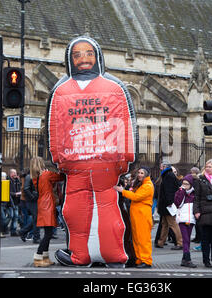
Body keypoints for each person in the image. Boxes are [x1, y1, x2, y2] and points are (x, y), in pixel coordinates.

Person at [48, 36, 137, 267]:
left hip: (104, 165)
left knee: (107, 209)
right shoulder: (62, 90)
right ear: (70, 59)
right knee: (74, 211)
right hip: (78, 166)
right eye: (77, 55)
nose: (83, 59)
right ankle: (82, 255)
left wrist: (125, 159)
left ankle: (112, 254)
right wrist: (59, 158)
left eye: (88, 53)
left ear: (97, 57)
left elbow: (125, 124)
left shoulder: (112, 87)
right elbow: (56, 128)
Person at [114, 166, 154, 268]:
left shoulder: (148, 185)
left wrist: (122, 191)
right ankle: (140, 259)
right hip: (138, 216)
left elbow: (136, 197)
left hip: (143, 216)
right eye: (139, 173)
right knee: (137, 239)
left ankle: (146, 261)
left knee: (143, 239)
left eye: (142, 173)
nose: (139, 175)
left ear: (146, 174)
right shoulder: (142, 185)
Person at [30, 157, 65, 267]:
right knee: (48, 234)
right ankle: (38, 257)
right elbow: (61, 177)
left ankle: (45, 258)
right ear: (41, 164)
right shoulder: (46, 174)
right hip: (48, 204)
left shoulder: (36, 177)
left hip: (42, 203)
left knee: (48, 233)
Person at [156, 161, 183, 250]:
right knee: (165, 224)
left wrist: (170, 202)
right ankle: (161, 242)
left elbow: (169, 191)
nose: (160, 168)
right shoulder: (168, 175)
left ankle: (180, 242)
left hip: (168, 205)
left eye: (161, 166)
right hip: (166, 204)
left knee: (172, 224)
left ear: (164, 167)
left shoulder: (168, 175)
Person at [174, 174, 197, 268]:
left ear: (191, 184)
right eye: (183, 183)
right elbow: (177, 203)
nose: (185, 186)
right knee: (186, 240)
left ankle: (184, 260)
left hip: (191, 219)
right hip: (182, 219)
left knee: (187, 240)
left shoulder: (194, 193)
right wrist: (182, 192)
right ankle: (188, 259)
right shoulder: (179, 192)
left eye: (187, 184)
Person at [8, 169, 21, 236]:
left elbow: (19, 188)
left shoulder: (17, 181)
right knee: (12, 216)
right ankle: (10, 228)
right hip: (11, 202)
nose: (15, 174)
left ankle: (13, 230)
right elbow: (8, 192)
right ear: (10, 174)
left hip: (16, 201)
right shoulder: (9, 181)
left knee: (15, 216)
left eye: (16, 173)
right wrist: (15, 194)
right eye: (14, 173)